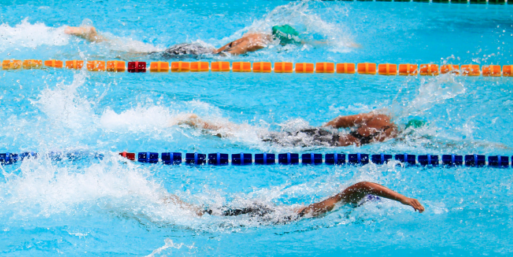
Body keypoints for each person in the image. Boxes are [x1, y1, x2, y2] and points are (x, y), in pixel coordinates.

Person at [168, 181, 424, 223]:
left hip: (273, 213)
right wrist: (403, 199)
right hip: (272, 215)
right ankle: (178, 206)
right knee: (203, 215)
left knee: (209, 213)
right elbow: (363, 185)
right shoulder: (339, 201)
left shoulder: (338, 206)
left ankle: (182, 206)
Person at [176, 111, 426, 147]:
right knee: (261, 141)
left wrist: (318, 130)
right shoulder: (389, 133)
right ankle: (200, 123)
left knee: (261, 135)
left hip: (320, 134)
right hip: (324, 143)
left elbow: (340, 120)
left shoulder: (380, 116)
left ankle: (203, 123)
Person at [64, 24, 303, 56]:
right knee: (141, 57)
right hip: (199, 54)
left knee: (146, 52)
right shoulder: (259, 42)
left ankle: (95, 37)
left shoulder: (256, 34)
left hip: (198, 47)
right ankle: (93, 37)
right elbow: (226, 57)